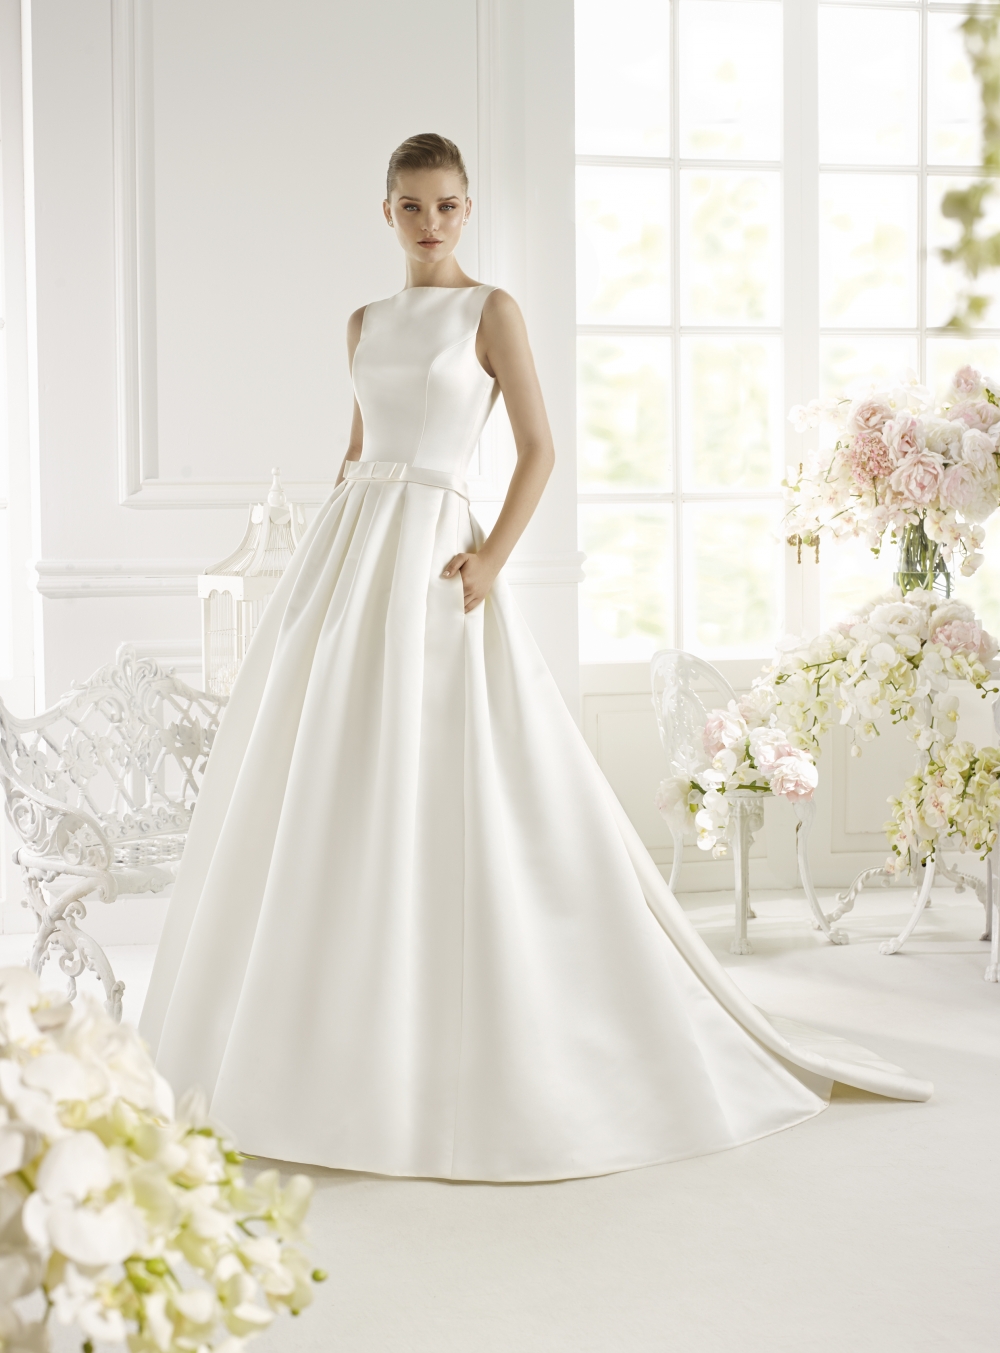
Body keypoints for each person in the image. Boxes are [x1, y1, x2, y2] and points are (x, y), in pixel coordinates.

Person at [140, 133, 930, 1183]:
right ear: (386, 212)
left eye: (447, 205)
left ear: (468, 209)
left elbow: (539, 447)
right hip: (352, 549)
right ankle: (313, 1035)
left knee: (442, 764)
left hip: (434, 552)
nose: (431, 223)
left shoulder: (490, 311)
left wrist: (491, 559)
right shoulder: (363, 323)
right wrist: (323, 556)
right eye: (412, 206)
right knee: (327, 768)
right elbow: (357, 448)